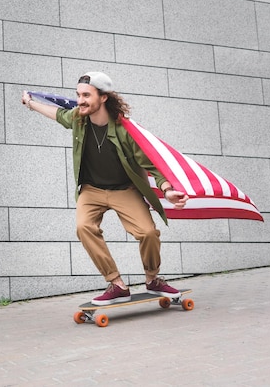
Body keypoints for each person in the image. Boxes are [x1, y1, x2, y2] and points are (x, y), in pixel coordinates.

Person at [21, 72, 189, 306]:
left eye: (86, 95)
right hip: (91, 190)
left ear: (103, 97)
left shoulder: (125, 130)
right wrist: (31, 103)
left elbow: (150, 163)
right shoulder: (78, 118)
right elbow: (58, 115)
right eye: (78, 95)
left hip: (124, 190)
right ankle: (117, 284)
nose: (80, 101)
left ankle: (153, 279)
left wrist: (168, 190)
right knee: (84, 227)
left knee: (148, 233)